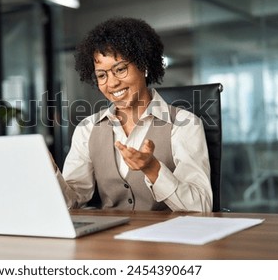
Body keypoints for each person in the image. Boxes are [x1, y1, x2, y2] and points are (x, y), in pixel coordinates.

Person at [54, 17, 212, 212]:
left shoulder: (185, 124)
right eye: (102, 75)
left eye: (120, 69)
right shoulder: (87, 129)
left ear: (144, 66)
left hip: (167, 239)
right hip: (109, 239)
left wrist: (153, 169)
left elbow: (201, 207)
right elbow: (73, 202)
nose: (112, 83)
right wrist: (50, 172)